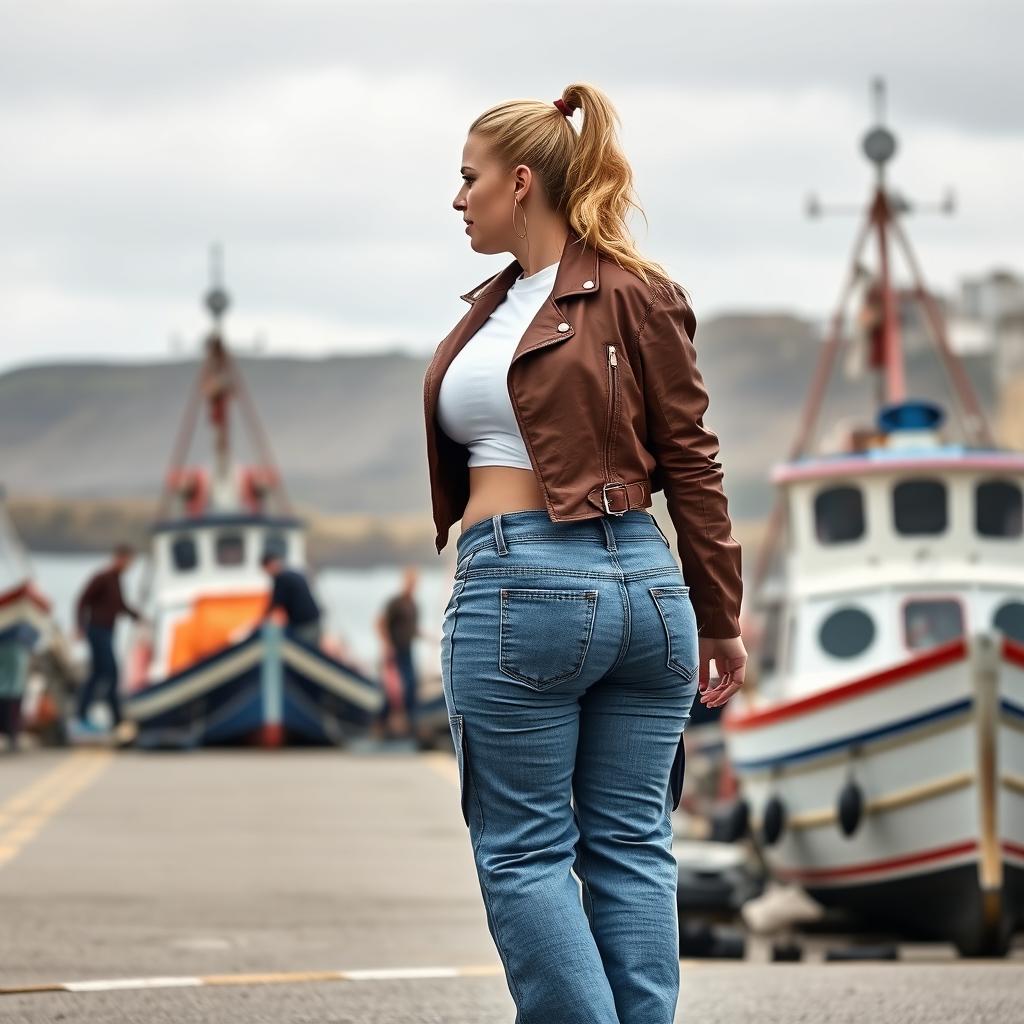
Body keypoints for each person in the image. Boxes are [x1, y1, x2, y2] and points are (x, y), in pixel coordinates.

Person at [422, 83, 748, 1023]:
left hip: (524, 587)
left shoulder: (520, 313)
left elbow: (690, 459)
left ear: (519, 182)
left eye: (468, 178)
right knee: (632, 846)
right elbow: (694, 463)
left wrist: (718, 614)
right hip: (649, 592)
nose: (458, 199)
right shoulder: (638, 294)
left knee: (524, 851)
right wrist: (717, 615)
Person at [73, 542, 143, 731]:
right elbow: (82, 600)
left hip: (108, 632)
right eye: (127, 560)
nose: (128, 565)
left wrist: (138, 617)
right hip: (97, 631)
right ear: (119, 558)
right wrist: (79, 626)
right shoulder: (103, 578)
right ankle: (103, 717)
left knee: (101, 674)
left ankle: (107, 718)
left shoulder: (117, 580)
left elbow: (120, 605)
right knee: (109, 672)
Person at [375, 566, 424, 736]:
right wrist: (387, 645)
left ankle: (411, 721)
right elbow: (380, 623)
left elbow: (412, 628)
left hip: (407, 649)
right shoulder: (396, 602)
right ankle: (380, 722)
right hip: (394, 650)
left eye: (415, 582)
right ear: (405, 582)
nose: (413, 585)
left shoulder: (413, 604)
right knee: (392, 689)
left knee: (411, 684)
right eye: (410, 582)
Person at [257, 552, 322, 647]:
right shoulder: (291, 574)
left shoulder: (281, 579)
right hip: (313, 621)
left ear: (269, 566)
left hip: (304, 625)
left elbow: (275, 604)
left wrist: (260, 622)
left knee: (303, 651)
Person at [0, 624, 33, 752]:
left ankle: (11, 733)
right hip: (14, 644)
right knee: (14, 688)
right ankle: (12, 733)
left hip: (14, 644)